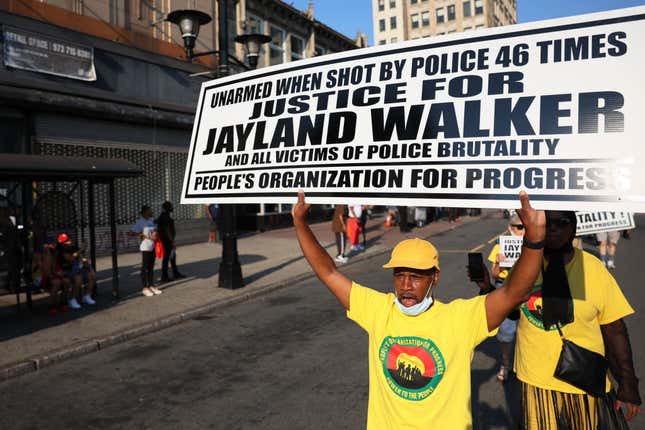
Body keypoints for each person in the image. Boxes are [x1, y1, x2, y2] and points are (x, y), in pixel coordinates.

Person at [292, 191, 545, 428]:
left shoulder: (461, 319)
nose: (405, 285)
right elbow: (328, 271)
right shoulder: (378, 310)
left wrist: (534, 238)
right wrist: (300, 223)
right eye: (399, 275)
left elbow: (514, 293)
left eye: (416, 277)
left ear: (434, 278)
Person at [512, 210, 641, 428]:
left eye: (561, 223)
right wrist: (487, 287)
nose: (553, 229)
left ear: (573, 228)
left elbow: (615, 329)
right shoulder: (525, 265)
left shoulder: (594, 269)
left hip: (582, 380)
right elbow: (511, 310)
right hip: (535, 379)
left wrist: (627, 382)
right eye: (547, 223)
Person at [477, 213, 525, 382]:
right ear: (510, 229)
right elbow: (494, 274)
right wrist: (498, 262)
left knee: (528, 329)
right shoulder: (500, 246)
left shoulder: (532, 246)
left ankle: (525, 364)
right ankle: (505, 362)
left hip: (528, 290)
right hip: (505, 287)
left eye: (525, 227)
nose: (522, 231)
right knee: (505, 331)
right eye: (519, 227)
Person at [56, 233, 95, 309]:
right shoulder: (61, 250)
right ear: (62, 243)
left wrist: (90, 268)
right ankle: (72, 299)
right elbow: (70, 259)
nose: (70, 241)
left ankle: (87, 296)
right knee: (78, 279)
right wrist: (80, 250)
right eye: (67, 240)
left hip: (76, 269)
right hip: (65, 271)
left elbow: (83, 258)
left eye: (69, 239)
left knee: (92, 276)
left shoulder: (73, 247)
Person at [129, 205, 160, 296]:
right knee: (145, 267)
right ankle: (145, 288)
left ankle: (151, 285)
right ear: (145, 212)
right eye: (150, 211)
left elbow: (155, 230)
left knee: (151, 267)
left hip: (153, 246)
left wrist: (155, 234)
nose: (152, 212)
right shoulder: (140, 222)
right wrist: (142, 235)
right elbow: (130, 233)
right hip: (145, 247)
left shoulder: (151, 220)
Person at [157, 201, 186, 282]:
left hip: (166, 240)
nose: (172, 208)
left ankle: (175, 273)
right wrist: (172, 241)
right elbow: (167, 230)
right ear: (168, 208)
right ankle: (164, 276)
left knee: (172, 257)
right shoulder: (165, 217)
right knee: (166, 258)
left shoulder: (164, 216)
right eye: (171, 206)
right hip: (167, 241)